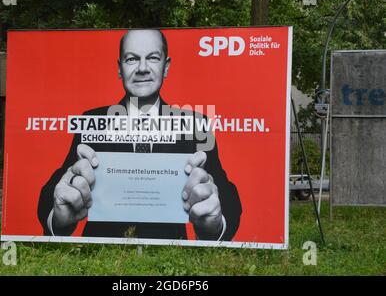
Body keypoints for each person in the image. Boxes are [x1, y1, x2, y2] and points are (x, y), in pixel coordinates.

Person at [38, 29, 242, 241]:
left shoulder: (195, 125)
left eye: (153, 58)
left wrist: (214, 224)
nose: (142, 68)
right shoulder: (93, 121)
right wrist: (59, 218)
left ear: (166, 67)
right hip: (102, 253)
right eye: (132, 59)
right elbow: (54, 191)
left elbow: (226, 196)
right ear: (120, 68)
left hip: (170, 252)